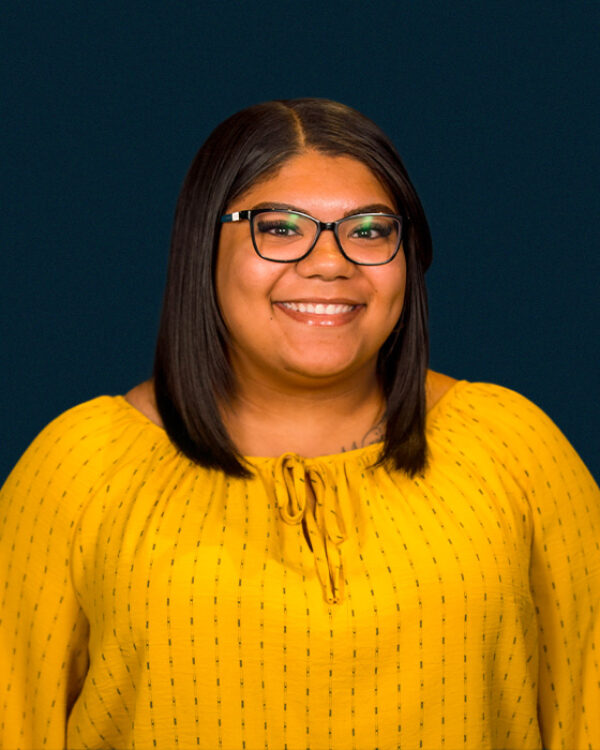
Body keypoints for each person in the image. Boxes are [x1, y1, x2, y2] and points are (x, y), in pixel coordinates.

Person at [0, 98, 598, 750]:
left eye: (369, 231)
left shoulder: (514, 446)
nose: (330, 262)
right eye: (281, 228)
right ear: (204, 245)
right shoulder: (78, 467)